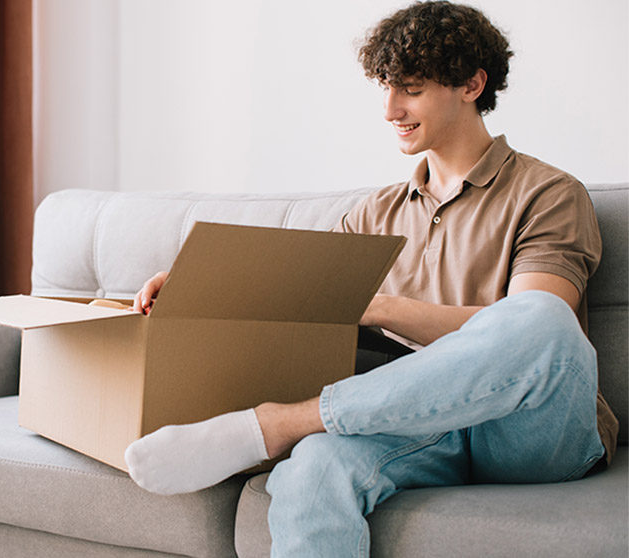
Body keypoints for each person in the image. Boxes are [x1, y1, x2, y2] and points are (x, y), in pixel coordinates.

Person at [122, 2, 619, 556]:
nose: (389, 108)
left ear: (472, 85)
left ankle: (278, 424)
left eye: (409, 88)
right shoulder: (374, 214)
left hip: (528, 430)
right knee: (313, 465)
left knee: (543, 319)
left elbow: (532, 336)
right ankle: (295, 435)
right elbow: (299, 294)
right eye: (385, 87)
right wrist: (201, 282)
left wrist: (378, 305)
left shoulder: (548, 193)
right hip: (419, 421)